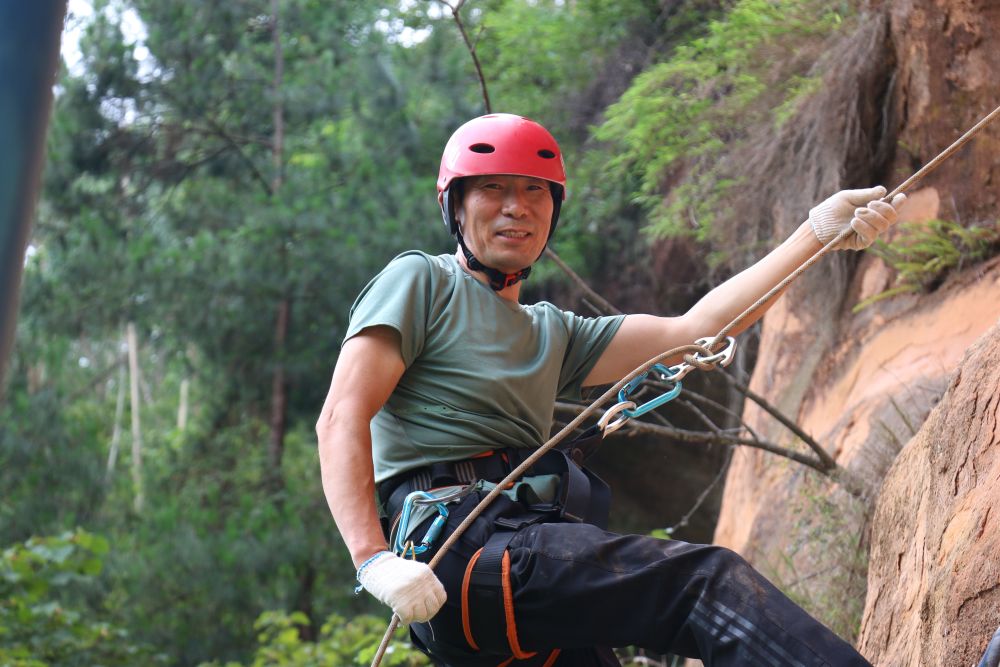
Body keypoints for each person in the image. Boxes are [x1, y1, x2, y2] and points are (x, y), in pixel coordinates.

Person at [317, 113, 904, 666]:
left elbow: (694, 331)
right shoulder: (421, 280)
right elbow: (343, 414)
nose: (515, 208)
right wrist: (373, 560)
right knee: (702, 583)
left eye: (535, 192)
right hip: (465, 554)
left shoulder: (554, 331)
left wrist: (814, 235)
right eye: (493, 189)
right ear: (455, 205)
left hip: (515, 562)